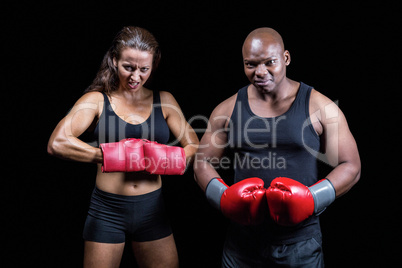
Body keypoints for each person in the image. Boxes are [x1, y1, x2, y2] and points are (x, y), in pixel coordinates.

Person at [193, 27, 361, 267]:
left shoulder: (319, 106)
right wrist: (223, 198)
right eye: (251, 64)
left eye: (269, 62)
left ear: (286, 58)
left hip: (300, 245)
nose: (260, 72)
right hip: (242, 245)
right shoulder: (227, 109)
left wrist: (312, 199)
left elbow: (351, 166)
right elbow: (202, 162)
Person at [48, 26, 199, 268]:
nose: (135, 76)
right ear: (114, 60)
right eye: (128, 67)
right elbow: (57, 143)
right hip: (107, 212)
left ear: (153, 65)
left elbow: (194, 146)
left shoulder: (165, 100)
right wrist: (109, 156)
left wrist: (169, 158)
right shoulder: (97, 100)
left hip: (153, 211)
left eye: (144, 69)